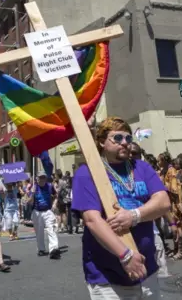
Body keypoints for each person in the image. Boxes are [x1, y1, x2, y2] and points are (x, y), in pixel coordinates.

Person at [72, 116, 170, 299]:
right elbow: (92, 220)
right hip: (108, 277)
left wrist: (134, 215)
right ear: (102, 142)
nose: (125, 143)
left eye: (128, 138)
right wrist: (125, 256)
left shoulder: (141, 167)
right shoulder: (86, 173)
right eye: (117, 138)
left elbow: (163, 202)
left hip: (147, 271)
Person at [28, 172, 61, 259]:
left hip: (48, 211)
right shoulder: (34, 187)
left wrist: (54, 204)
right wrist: (32, 194)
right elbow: (29, 202)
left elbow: (56, 195)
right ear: (37, 179)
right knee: (39, 232)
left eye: (43, 178)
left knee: (52, 229)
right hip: (37, 212)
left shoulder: (50, 186)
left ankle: (54, 249)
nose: (42, 179)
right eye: (40, 178)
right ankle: (41, 249)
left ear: (46, 179)